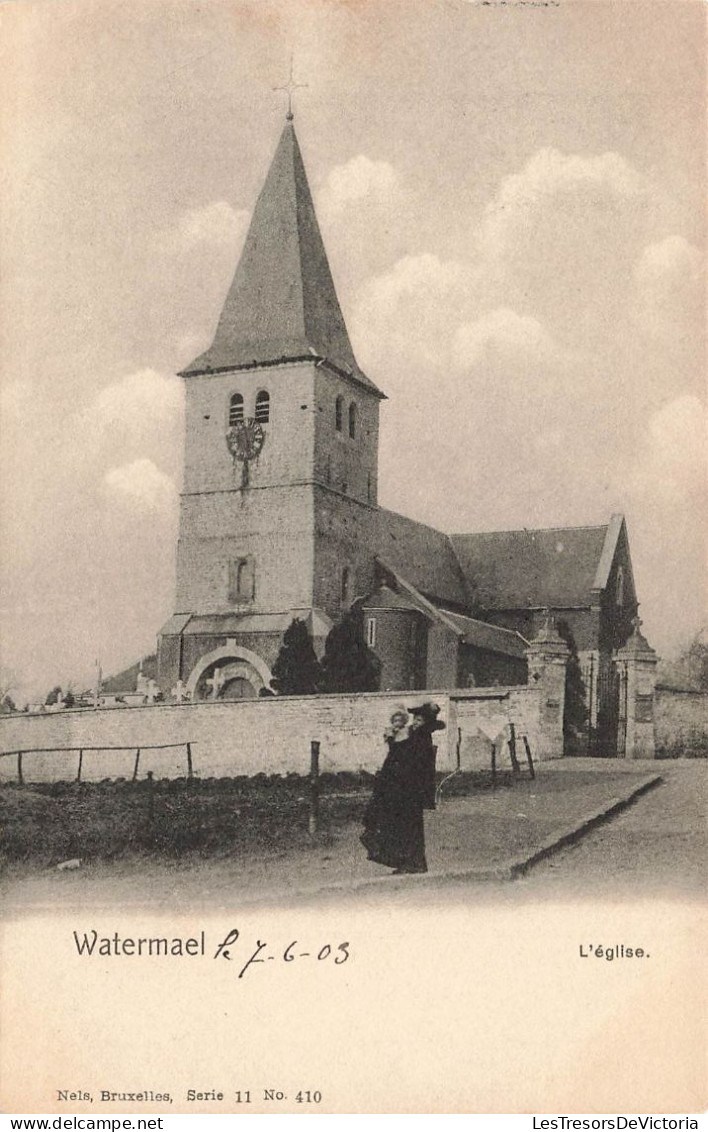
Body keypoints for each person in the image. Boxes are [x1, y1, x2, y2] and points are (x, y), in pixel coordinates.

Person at [360, 702, 445, 875]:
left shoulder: (421, 738)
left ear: (427, 723)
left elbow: (407, 761)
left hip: (410, 790)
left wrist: (393, 741)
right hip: (405, 789)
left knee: (409, 826)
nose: (415, 722)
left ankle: (414, 863)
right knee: (404, 826)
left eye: (419, 720)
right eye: (415, 718)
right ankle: (409, 861)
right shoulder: (416, 736)